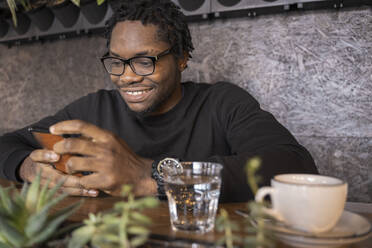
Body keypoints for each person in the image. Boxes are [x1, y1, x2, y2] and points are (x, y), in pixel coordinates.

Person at [0, 0, 318, 202]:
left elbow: (294, 165)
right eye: (116, 61)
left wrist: (150, 176)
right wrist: (28, 167)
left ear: (181, 58)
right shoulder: (95, 108)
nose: (126, 77)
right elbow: (9, 142)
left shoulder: (223, 103)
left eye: (144, 61)